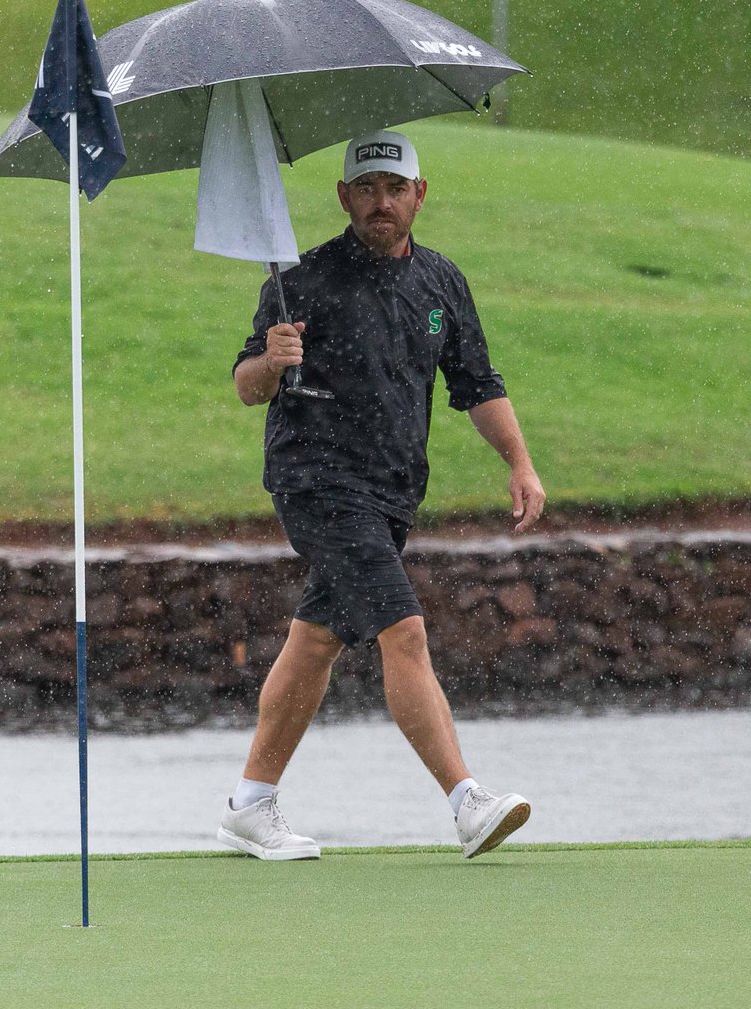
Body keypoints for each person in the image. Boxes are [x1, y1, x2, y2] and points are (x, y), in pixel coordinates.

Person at [218, 129, 546, 861]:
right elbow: (246, 386)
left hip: (392, 492)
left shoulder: (441, 281)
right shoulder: (300, 278)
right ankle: (467, 802)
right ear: (344, 196)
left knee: (316, 642)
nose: (381, 202)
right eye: (366, 189)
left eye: (395, 189)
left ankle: (250, 803)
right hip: (317, 484)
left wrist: (520, 464)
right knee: (405, 631)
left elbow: (478, 387)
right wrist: (272, 361)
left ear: (419, 196)